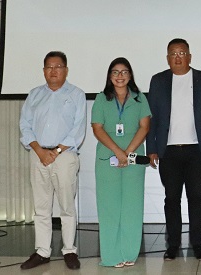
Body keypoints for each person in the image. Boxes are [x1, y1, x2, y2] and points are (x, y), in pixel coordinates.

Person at [146, 38, 201, 260]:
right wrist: (151, 148)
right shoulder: (158, 81)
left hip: (197, 149)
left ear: (189, 56)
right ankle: (173, 245)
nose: (177, 57)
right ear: (167, 58)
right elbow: (152, 118)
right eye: (173, 54)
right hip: (168, 150)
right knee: (171, 198)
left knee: (197, 197)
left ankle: (198, 244)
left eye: (182, 53)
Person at [19, 51, 86, 270]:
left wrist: (55, 151)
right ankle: (42, 251)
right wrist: (39, 150)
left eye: (58, 67)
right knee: (41, 206)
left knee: (67, 206)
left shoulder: (76, 94)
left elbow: (78, 130)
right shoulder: (34, 94)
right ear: (44, 70)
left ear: (66, 70)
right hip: (38, 155)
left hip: (64, 156)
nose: (53, 71)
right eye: (49, 67)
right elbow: (25, 126)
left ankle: (69, 250)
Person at [91, 57, 151, 268]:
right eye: (115, 72)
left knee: (132, 207)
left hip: (133, 159)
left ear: (130, 75)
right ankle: (111, 255)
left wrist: (128, 152)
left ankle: (129, 253)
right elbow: (97, 128)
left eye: (124, 72)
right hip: (108, 159)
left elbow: (144, 127)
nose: (120, 76)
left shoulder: (139, 98)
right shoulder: (101, 99)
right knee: (109, 207)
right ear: (110, 76)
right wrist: (118, 151)